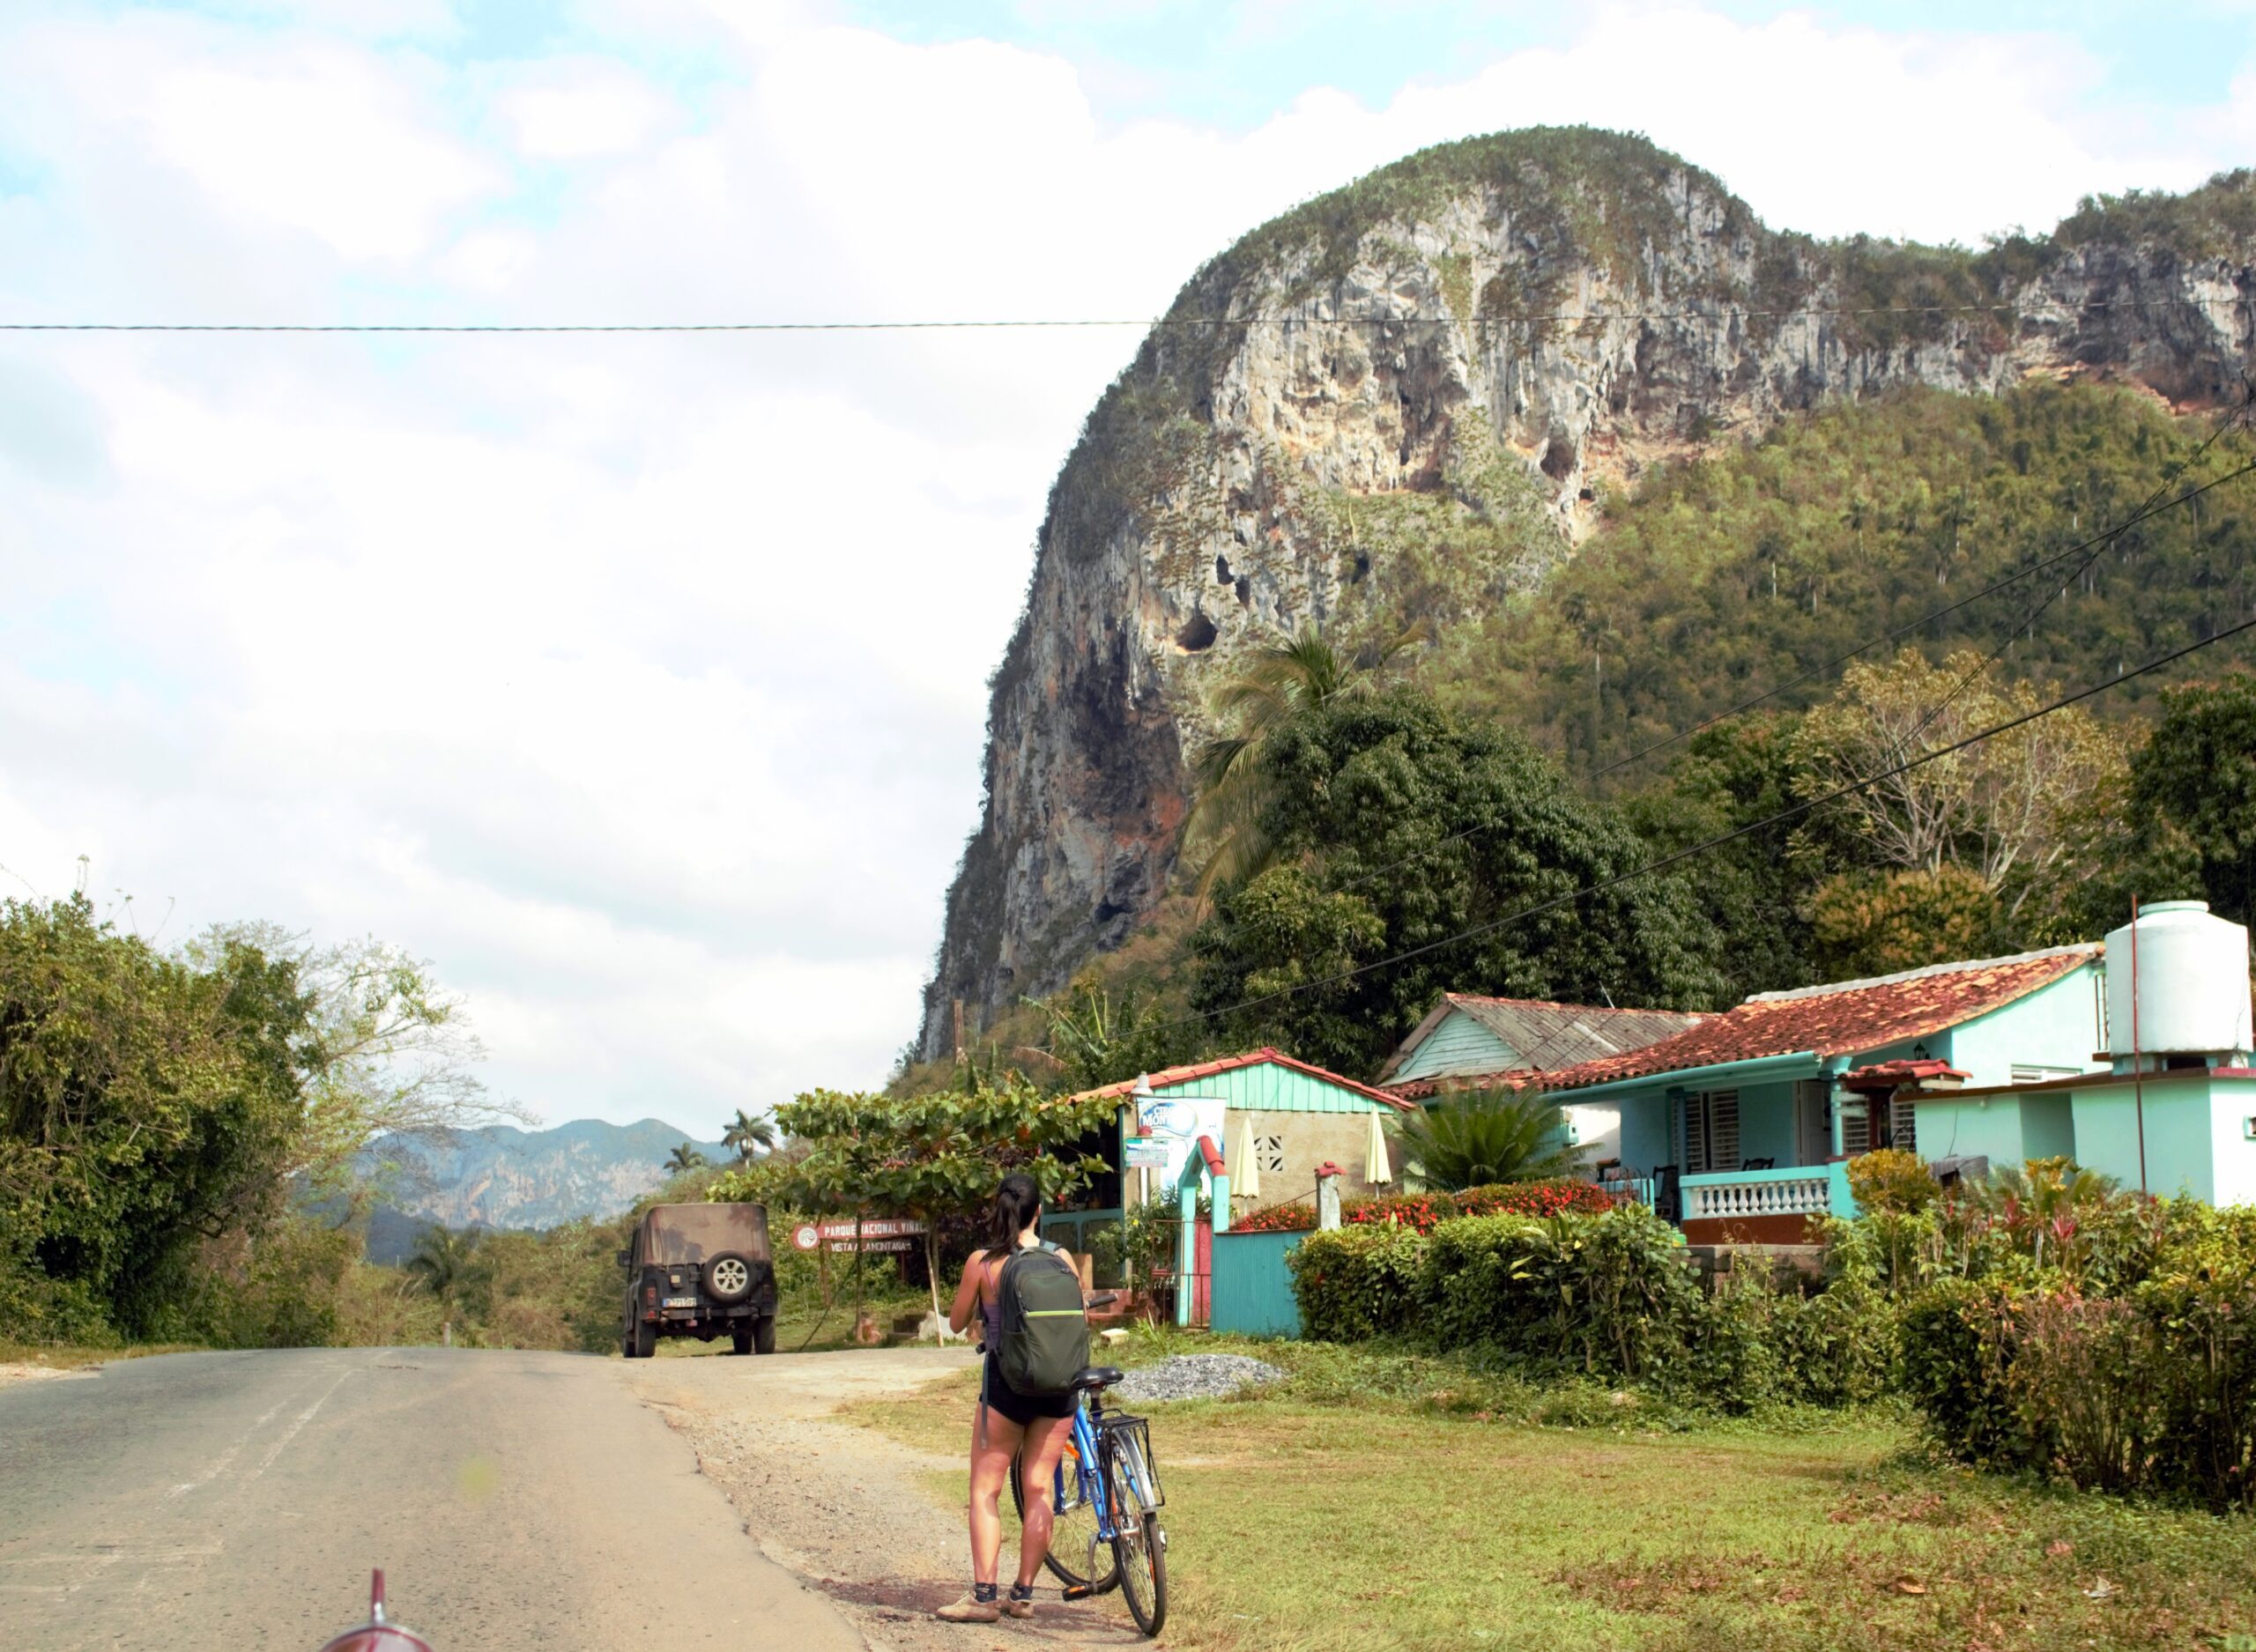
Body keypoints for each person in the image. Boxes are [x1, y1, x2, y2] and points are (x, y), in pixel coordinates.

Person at [934, 1172, 1077, 1624]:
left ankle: (982, 1598)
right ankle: (1023, 1594)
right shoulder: (1062, 1258)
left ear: (998, 1210)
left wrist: (983, 1313)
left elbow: (956, 1322)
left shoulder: (982, 1262)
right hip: (1059, 1388)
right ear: (1039, 1211)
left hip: (1007, 1388)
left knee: (985, 1489)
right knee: (1039, 1487)